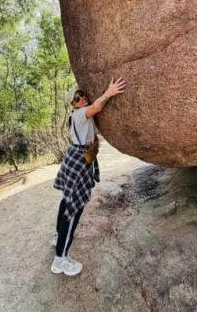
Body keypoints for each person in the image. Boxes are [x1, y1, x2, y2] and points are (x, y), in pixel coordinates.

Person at [50, 77, 127, 276]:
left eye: (82, 94)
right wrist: (109, 92)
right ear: (73, 103)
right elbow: (97, 108)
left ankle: (58, 235)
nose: (82, 97)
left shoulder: (76, 114)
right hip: (78, 160)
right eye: (77, 97)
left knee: (67, 201)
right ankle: (60, 259)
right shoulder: (80, 114)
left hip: (76, 158)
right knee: (73, 210)